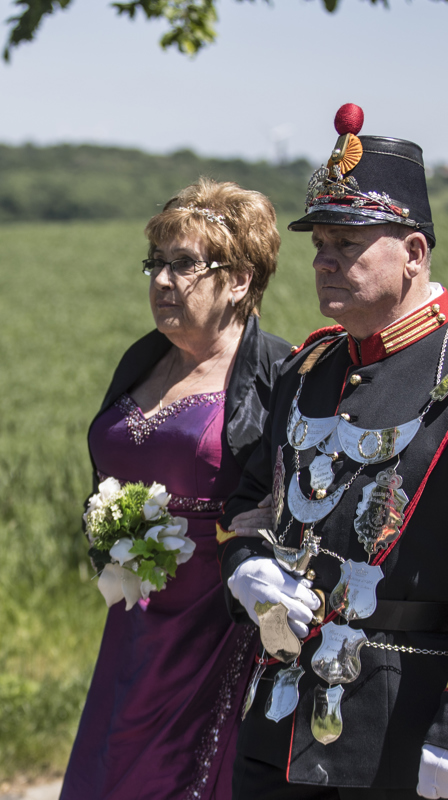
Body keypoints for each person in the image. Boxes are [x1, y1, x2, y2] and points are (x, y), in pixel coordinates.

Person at [218, 103, 448, 799]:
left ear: (413, 253)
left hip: (406, 725)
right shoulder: (308, 368)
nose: (324, 261)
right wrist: (247, 567)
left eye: (348, 244)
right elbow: (249, 503)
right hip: (279, 722)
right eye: (319, 244)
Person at [59, 178, 291, 800]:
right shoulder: (142, 358)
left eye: (183, 264)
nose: (161, 280)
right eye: (155, 264)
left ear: (239, 280)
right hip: (136, 625)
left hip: (219, 628)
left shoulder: (282, 375)